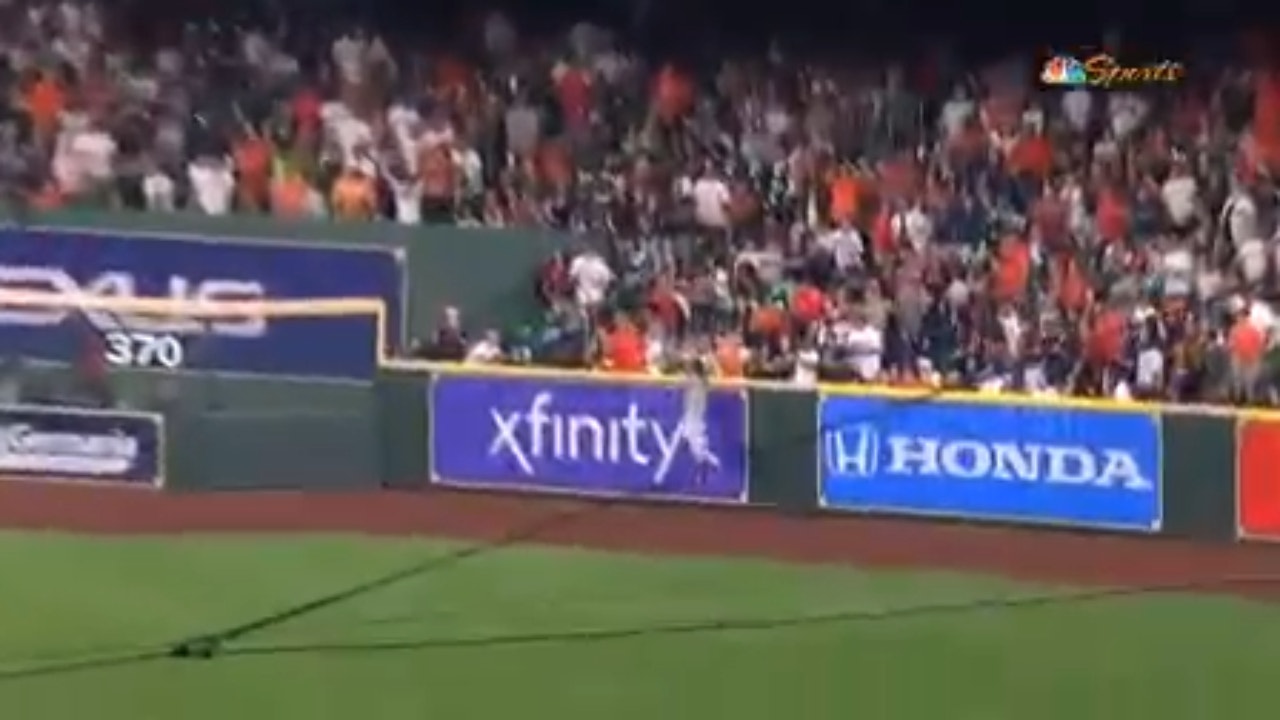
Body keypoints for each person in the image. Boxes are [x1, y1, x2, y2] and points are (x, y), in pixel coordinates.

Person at [678, 348, 719, 486]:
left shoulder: (695, 380)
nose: (687, 368)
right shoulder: (700, 380)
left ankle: (709, 466)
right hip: (693, 418)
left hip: (694, 419)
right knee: (691, 446)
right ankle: (707, 466)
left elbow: (683, 382)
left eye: (690, 367)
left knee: (696, 450)